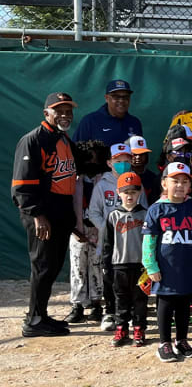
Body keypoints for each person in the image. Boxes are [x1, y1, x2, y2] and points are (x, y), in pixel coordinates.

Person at [12, 92, 81, 337]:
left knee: (51, 267)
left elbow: (74, 173)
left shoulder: (63, 138)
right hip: (43, 213)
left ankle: (40, 314)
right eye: (58, 110)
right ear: (46, 113)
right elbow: (21, 185)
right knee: (42, 266)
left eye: (68, 110)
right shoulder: (33, 140)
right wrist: (37, 215)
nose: (64, 115)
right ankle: (33, 321)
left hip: (60, 210)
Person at [143, 162, 192, 362]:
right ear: (164, 183)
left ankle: (181, 340)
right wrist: (150, 266)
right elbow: (149, 241)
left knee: (184, 303)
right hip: (165, 268)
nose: (180, 185)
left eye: (184, 182)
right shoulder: (156, 210)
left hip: (189, 265)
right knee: (165, 303)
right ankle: (164, 343)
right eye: (175, 181)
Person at [89, 143, 149, 331]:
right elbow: (93, 212)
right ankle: (109, 312)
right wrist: (108, 230)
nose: (122, 164)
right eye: (118, 161)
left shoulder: (137, 184)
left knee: (134, 282)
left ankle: (130, 314)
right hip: (112, 243)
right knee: (110, 280)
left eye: (126, 161)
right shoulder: (101, 185)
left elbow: (146, 213)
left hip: (134, 244)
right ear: (109, 162)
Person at [102, 171, 149, 347]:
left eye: (134, 192)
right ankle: (121, 328)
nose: (130, 196)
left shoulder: (145, 214)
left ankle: (139, 328)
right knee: (121, 298)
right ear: (118, 192)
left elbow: (151, 242)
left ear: (140, 193)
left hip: (140, 265)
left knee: (140, 299)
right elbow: (108, 243)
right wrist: (106, 265)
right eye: (126, 192)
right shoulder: (113, 215)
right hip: (118, 264)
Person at [66, 140, 107, 325]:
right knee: (77, 267)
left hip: (99, 229)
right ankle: (78, 305)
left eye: (96, 155)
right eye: (88, 155)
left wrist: (103, 229)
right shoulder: (72, 180)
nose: (92, 159)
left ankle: (97, 304)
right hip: (77, 229)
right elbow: (65, 206)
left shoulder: (105, 180)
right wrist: (73, 229)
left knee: (97, 265)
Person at [73, 79, 143, 147]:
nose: (121, 100)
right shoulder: (90, 121)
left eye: (125, 97)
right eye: (116, 96)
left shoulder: (135, 123)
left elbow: (141, 153)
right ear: (106, 98)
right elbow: (75, 151)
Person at [128, 135, 160, 207]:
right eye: (134, 154)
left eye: (142, 154)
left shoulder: (153, 178)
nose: (138, 157)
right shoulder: (123, 176)